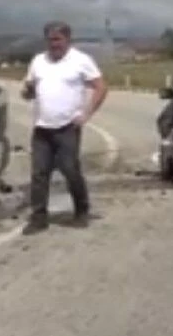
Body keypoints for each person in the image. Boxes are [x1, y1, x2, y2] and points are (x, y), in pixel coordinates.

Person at [21, 21, 109, 234]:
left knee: (69, 169)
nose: (54, 44)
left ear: (68, 39)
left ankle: (81, 209)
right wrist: (27, 91)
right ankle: (38, 218)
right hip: (42, 127)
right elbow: (27, 92)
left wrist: (86, 114)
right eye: (50, 40)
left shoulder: (81, 60)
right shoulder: (38, 61)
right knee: (39, 173)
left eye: (58, 39)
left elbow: (101, 87)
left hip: (68, 127)